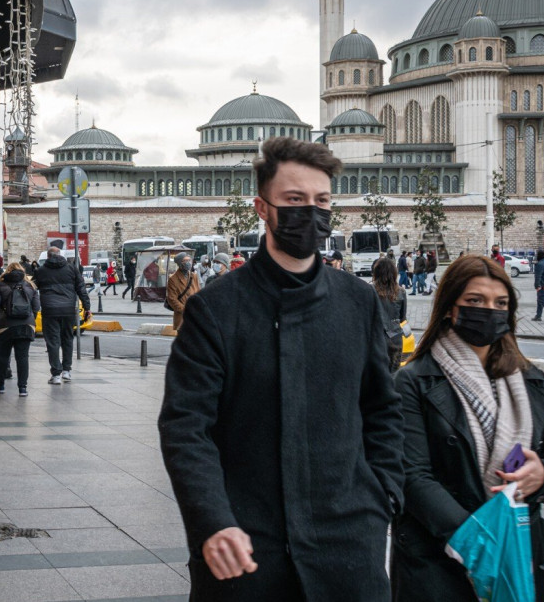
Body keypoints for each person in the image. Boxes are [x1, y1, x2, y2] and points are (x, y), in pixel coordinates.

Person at [159, 136, 403, 601]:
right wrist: (213, 520)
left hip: (347, 548)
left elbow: (382, 410)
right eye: (294, 200)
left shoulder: (358, 302)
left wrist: (383, 497)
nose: (310, 213)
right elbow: (186, 427)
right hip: (246, 552)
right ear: (262, 207)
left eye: (321, 201)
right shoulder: (215, 309)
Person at [391, 254, 544, 602]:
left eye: (500, 303)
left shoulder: (531, 382)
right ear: (450, 308)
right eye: (475, 301)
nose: (489, 311)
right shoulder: (414, 381)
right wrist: (476, 537)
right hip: (442, 556)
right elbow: (411, 475)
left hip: (520, 550)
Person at [32, 245, 90, 385]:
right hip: (68, 310)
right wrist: (87, 307)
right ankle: (67, 371)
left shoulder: (41, 271)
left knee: (52, 342)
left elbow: (33, 289)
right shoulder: (71, 268)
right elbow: (81, 288)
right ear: (60, 254)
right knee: (67, 339)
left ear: (48, 256)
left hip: (50, 310)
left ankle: (56, 374)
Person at [0, 261, 39, 396]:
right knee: (23, 357)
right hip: (26, 325)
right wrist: (29, 318)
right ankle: (22, 388)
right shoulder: (30, 285)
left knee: (3, 355)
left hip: (5, 325)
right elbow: (36, 307)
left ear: (8, 271)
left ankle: (0, 385)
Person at [372, 256, 408, 369]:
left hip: (376, 337)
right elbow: (402, 318)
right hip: (395, 337)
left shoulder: (370, 291)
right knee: (393, 373)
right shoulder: (401, 292)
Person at [165, 252, 201, 331]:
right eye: (185, 261)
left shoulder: (193, 276)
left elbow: (199, 293)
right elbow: (172, 299)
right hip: (182, 316)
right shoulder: (173, 279)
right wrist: (185, 309)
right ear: (179, 263)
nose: (188, 263)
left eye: (189, 260)